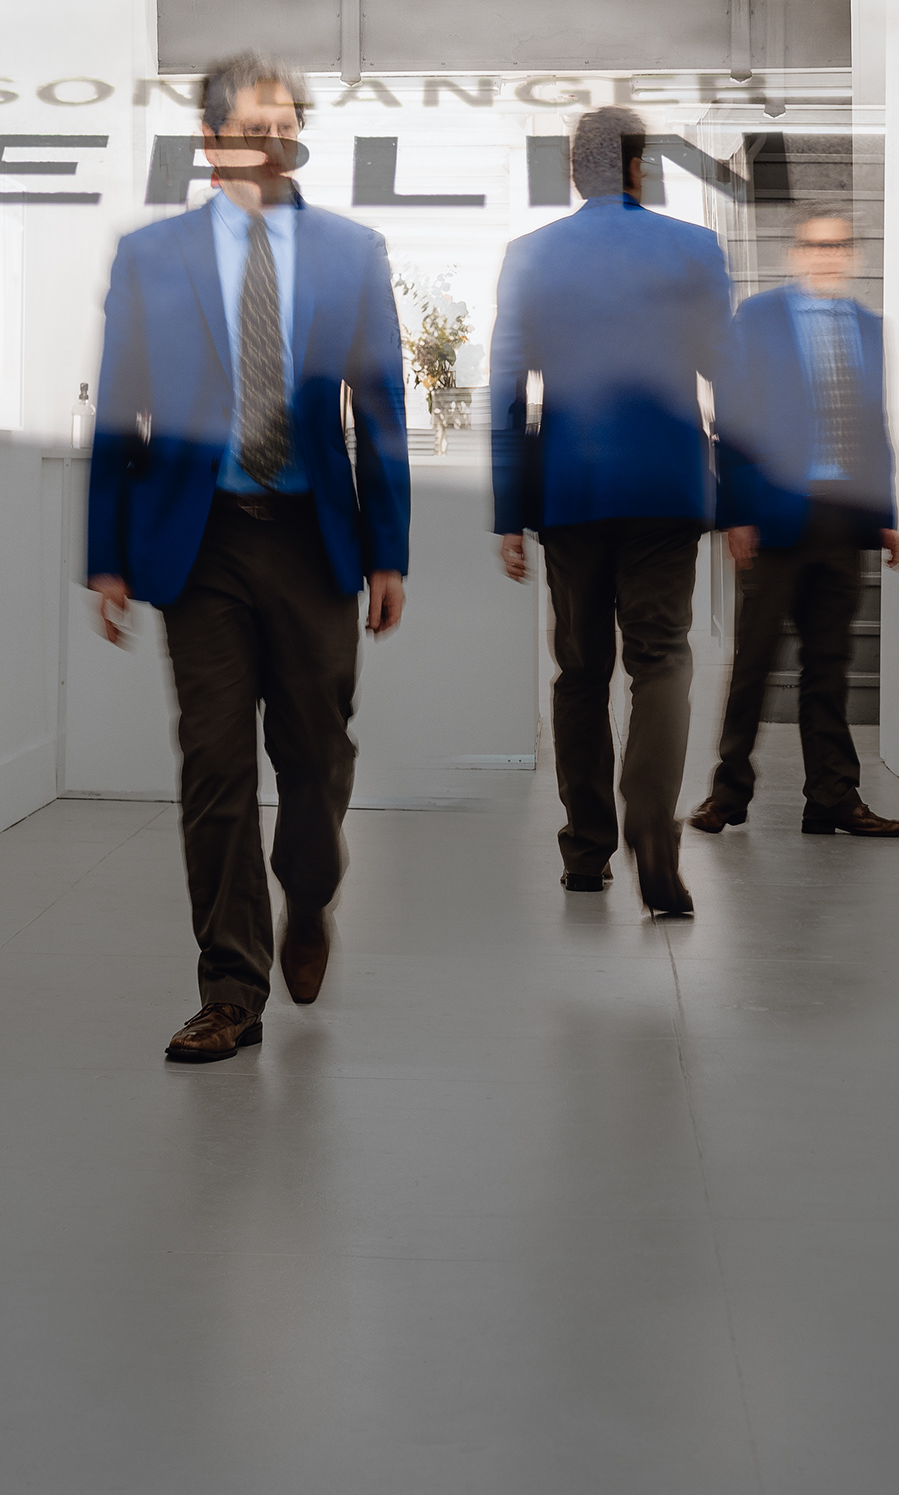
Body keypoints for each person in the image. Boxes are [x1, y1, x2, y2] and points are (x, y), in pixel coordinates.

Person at [87, 51, 411, 1064]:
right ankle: (230, 986)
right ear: (210, 139)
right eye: (253, 127)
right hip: (203, 540)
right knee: (215, 763)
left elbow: (380, 411)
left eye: (287, 126)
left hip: (315, 536)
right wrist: (107, 554)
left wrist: (389, 550)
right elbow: (119, 408)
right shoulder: (151, 256)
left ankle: (307, 896)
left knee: (316, 758)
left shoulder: (352, 251)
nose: (273, 143)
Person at [490, 105, 730, 916]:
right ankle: (652, 828)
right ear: (638, 167)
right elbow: (729, 374)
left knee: (581, 671)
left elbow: (506, 388)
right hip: (666, 487)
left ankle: (586, 851)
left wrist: (508, 511)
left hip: (572, 490)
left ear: (574, 171)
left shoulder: (531, 254)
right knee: (661, 660)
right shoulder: (694, 247)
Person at [694, 209, 899, 838]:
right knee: (755, 662)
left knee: (829, 666)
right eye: (816, 245)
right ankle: (728, 795)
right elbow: (733, 419)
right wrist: (737, 513)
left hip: (844, 518)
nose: (827, 255)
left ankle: (833, 798)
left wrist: (886, 514)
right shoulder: (757, 319)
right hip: (774, 516)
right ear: (795, 253)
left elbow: (875, 422)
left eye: (838, 245)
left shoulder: (871, 328)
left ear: (852, 255)